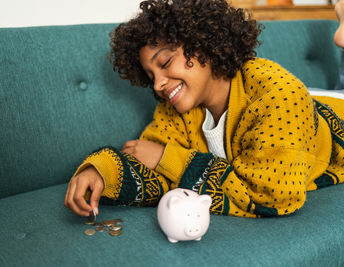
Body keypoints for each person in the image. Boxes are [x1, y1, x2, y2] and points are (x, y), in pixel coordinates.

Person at [64, 0, 344, 218]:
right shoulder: (177, 109)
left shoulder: (278, 95)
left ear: (204, 45)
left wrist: (169, 158)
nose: (159, 84)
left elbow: (271, 197)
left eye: (165, 63)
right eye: (151, 77)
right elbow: (151, 161)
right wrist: (99, 171)